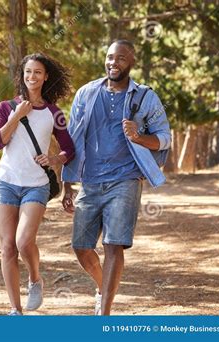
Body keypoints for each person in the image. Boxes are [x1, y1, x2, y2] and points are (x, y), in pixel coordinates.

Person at [61, 40, 171, 315]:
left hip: (126, 179)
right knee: (81, 247)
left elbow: (165, 139)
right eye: (110, 57)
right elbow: (73, 139)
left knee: (113, 243)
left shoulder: (145, 97)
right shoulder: (86, 93)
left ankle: (104, 313)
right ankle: (103, 289)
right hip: (90, 181)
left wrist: (138, 136)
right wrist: (67, 183)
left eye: (121, 58)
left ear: (131, 61)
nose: (114, 63)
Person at [0, 53, 75, 315]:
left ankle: (35, 279)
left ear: (46, 76)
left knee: (24, 242)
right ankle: (16, 310)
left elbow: (69, 149)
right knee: (7, 247)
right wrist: (16, 116)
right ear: (22, 75)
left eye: (37, 72)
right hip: (5, 184)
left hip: (36, 184)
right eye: (28, 72)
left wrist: (53, 158)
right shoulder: (5, 107)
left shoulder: (53, 112)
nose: (32, 77)